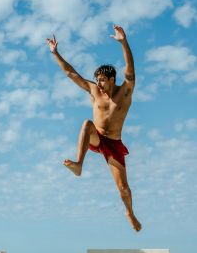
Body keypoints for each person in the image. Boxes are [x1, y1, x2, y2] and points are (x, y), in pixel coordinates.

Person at [46, 25, 141, 231]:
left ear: (112, 80)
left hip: (113, 144)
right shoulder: (94, 91)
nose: (98, 84)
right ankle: (79, 164)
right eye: (97, 80)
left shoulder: (124, 93)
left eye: (102, 80)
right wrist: (56, 53)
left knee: (124, 189)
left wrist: (124, 42)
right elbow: (72, 74)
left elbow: (130, 71)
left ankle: (130, 213)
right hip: (96, 138)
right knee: (87, 124)